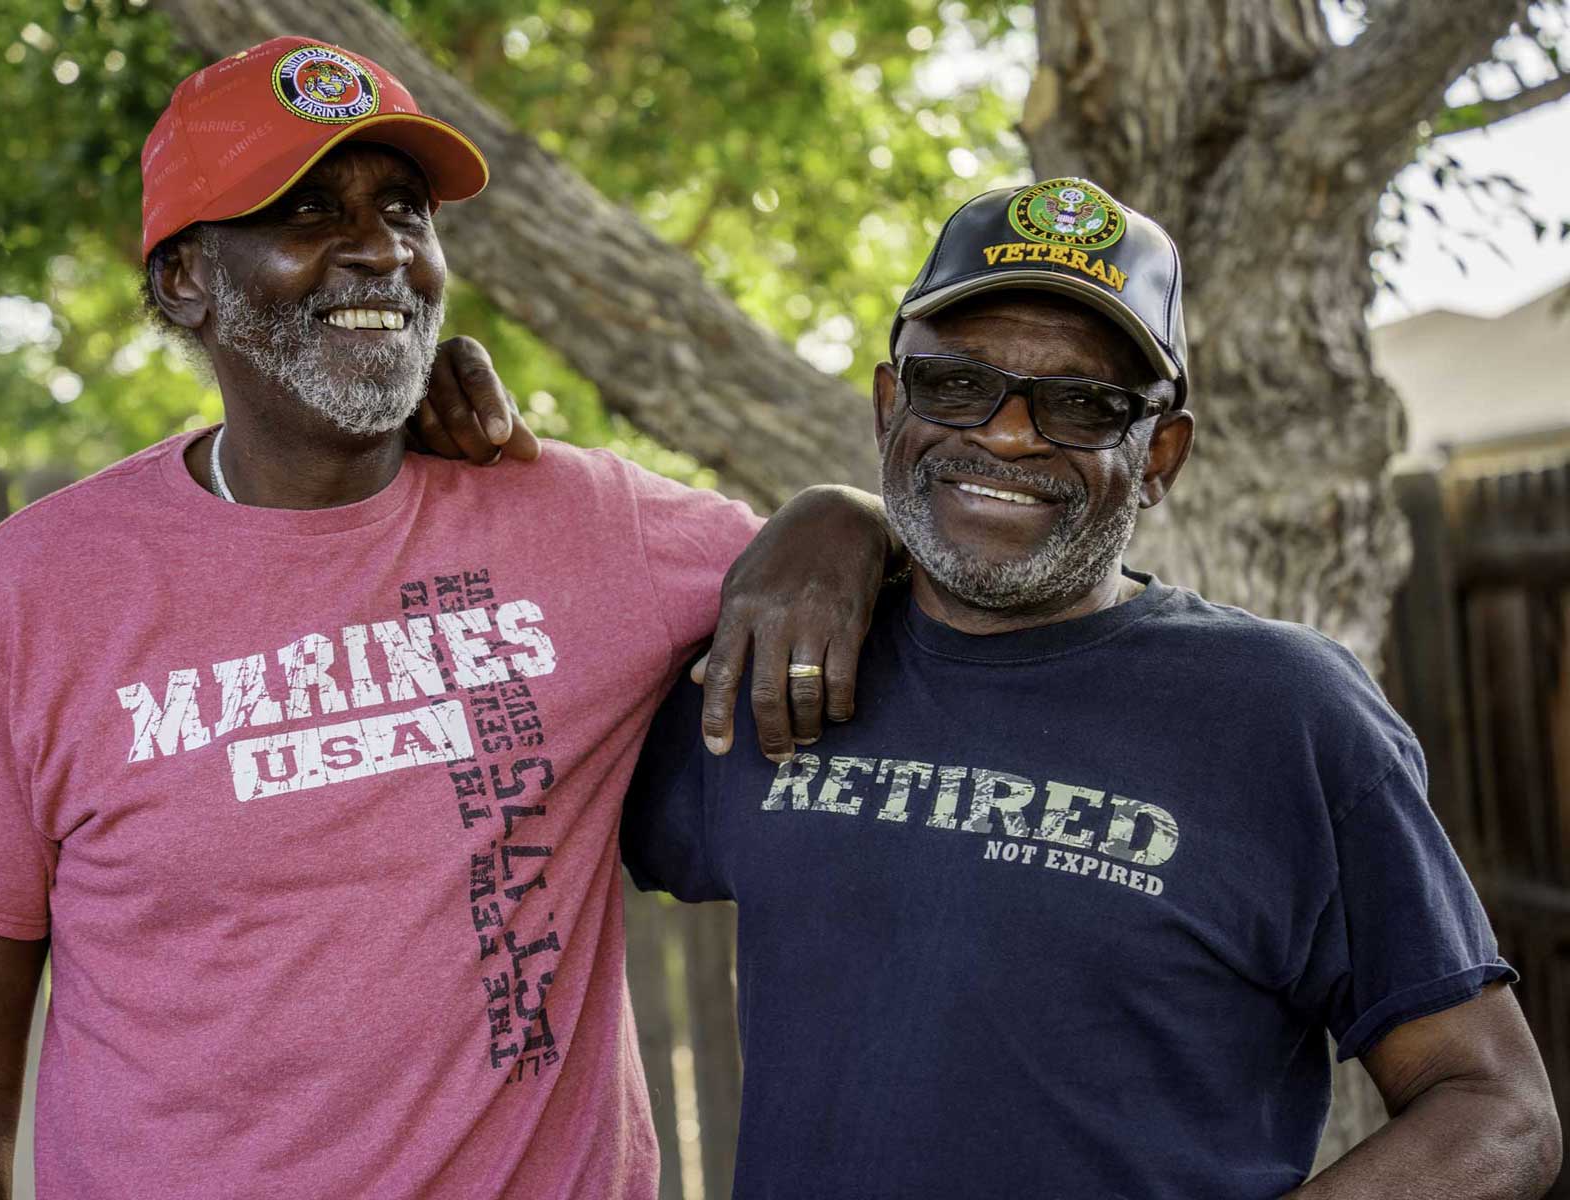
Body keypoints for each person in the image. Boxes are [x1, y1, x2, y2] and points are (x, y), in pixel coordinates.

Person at [0, 36, 899, 1198]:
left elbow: (921, 575)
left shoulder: (589, 527)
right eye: (306, 212)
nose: (379, 250)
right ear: (184, 280)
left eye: (404, 209)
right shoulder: (34, 597)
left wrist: (845, 514)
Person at [624, 177, 1562, 1199]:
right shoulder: (781, 660)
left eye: (1083, 404)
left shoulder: (1286, 714)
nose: (1011, 434)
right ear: (892, 405)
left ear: (1159, 455)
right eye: (956, 385)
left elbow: (1498, 1111)